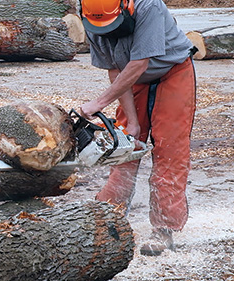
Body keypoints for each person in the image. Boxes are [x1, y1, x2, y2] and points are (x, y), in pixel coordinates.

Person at [78, 0, 197, 256]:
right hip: (130, 80)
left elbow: (139, 63)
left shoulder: (148, 7)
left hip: (172, 71)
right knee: (122, 148)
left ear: (125, 7)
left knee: (169, 149)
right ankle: (108, 216)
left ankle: (164, 229)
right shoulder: (90, 14)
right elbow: (115, 69)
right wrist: (132, 123)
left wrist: (99, 102)